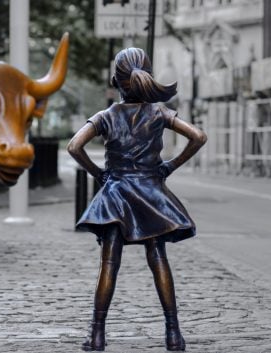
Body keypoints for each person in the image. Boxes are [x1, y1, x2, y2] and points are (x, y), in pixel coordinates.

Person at [67, 47, 207, 352]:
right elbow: (198, 136)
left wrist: (99, 174)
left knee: (109, 264)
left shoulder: (106, 116)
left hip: (116, 194)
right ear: (146, 76)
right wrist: (169, 166)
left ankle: (97, 334)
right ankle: (173, 334)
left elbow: (74, 146)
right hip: (150, 194)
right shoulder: (159, 113)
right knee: (158, 260)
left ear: (116, 81)